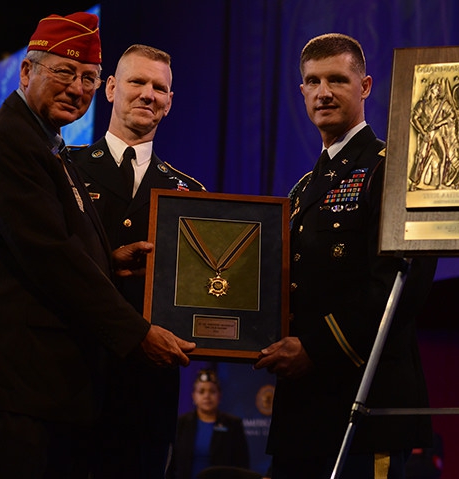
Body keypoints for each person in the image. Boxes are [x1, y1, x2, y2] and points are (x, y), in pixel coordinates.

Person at [0, 12, 195, 479]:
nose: (77, 88)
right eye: (64, 72)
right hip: (0, 389)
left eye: (86, 77)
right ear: (26, 72)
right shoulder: (12, 145)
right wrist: (138, 335)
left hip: (28, 391)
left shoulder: (43, 145)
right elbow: (52, 259)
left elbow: (39, 249)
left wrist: (107, 262)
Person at [254, 33, 437, 479]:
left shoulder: (393, 169)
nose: (324, 92)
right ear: (301, 92)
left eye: (337, 79)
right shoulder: (301, 189)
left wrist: (316, 348)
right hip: (303, 412)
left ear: (366, 86)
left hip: (364, 406)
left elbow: (402, 284)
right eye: (312, 81)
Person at [71, 44, 206, 478]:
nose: (148, 94)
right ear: (110, 88)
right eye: (137, 82)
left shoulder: (191, 195)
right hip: (70, 381)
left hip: (149, 395)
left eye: (159, 87)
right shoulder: (64, 170)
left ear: (169, 103)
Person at [167, 369, 250, 479]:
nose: (207, 396)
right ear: (194, 396)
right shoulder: (181, 423)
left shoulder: (233, 424)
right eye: (201, 391)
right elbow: (171, 464)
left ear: (219, 395)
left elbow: (242, 465)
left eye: (212, 391)